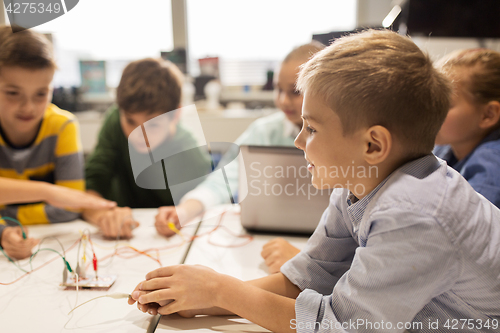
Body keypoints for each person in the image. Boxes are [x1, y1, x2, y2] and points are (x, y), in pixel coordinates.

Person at [129, 30, 500, 332]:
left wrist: (220, 289)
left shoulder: (416, 214)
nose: (298, 140)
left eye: (312, 128)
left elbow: (339, 326)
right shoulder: (357, 182)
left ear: (373, 144)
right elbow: (311, 275)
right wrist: (202, 298)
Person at [155, 43, 324, 271]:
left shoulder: (340, 139)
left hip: (322, 247)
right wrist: (184, 211)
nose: (283, 101)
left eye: (294, 92)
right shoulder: (263, 131)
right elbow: (224, 179)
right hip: (267, 243)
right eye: (278, 90)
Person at [0, 25, 115, 260]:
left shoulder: (63, 126)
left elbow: (69, 208)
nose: (28, 107)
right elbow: (63, 202)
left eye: (41, 94)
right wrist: (49, 193)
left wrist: (5, 217)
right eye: (13, 93)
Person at [83, 58, 210, 239]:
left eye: (153, 125)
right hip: (118, 236)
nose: (138, 135)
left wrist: (178, 216)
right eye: (130, 121)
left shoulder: (191, 155)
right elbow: (92, 183)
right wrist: (103, 216)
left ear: (176, 115)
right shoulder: (115, 120)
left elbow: (198, 209)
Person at [434, 48, 500, 208]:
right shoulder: (446, 146)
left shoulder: (492, 162)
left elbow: (461, 227)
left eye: (443, 104)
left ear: (488, 115)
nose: (429, 110)